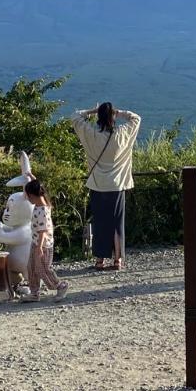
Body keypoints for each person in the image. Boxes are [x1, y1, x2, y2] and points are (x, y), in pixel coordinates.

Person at [71, 102, 141, 271]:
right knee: (117, 222)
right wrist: (120, 112)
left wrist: (92, 110)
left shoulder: (91, 134)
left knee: (100, 222)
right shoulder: (122, 134)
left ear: (99, 117)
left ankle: (100, 260)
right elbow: (136, 118)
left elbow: (75, 116)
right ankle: (118, 260)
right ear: (113, 117)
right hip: (117, 185)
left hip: (97, 184)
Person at [21, 176, 69, 302]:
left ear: (33, 195)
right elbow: (37, 185)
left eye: (28, 195)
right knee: (31, 267)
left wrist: (39, 248)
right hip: (36, 242)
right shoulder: (42, 203)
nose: (27, 198)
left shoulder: (41, 210)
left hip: (42, 245)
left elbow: (43, 231)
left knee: (43, 269)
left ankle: (60, 285)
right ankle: (34, 292)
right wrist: (31, 177)